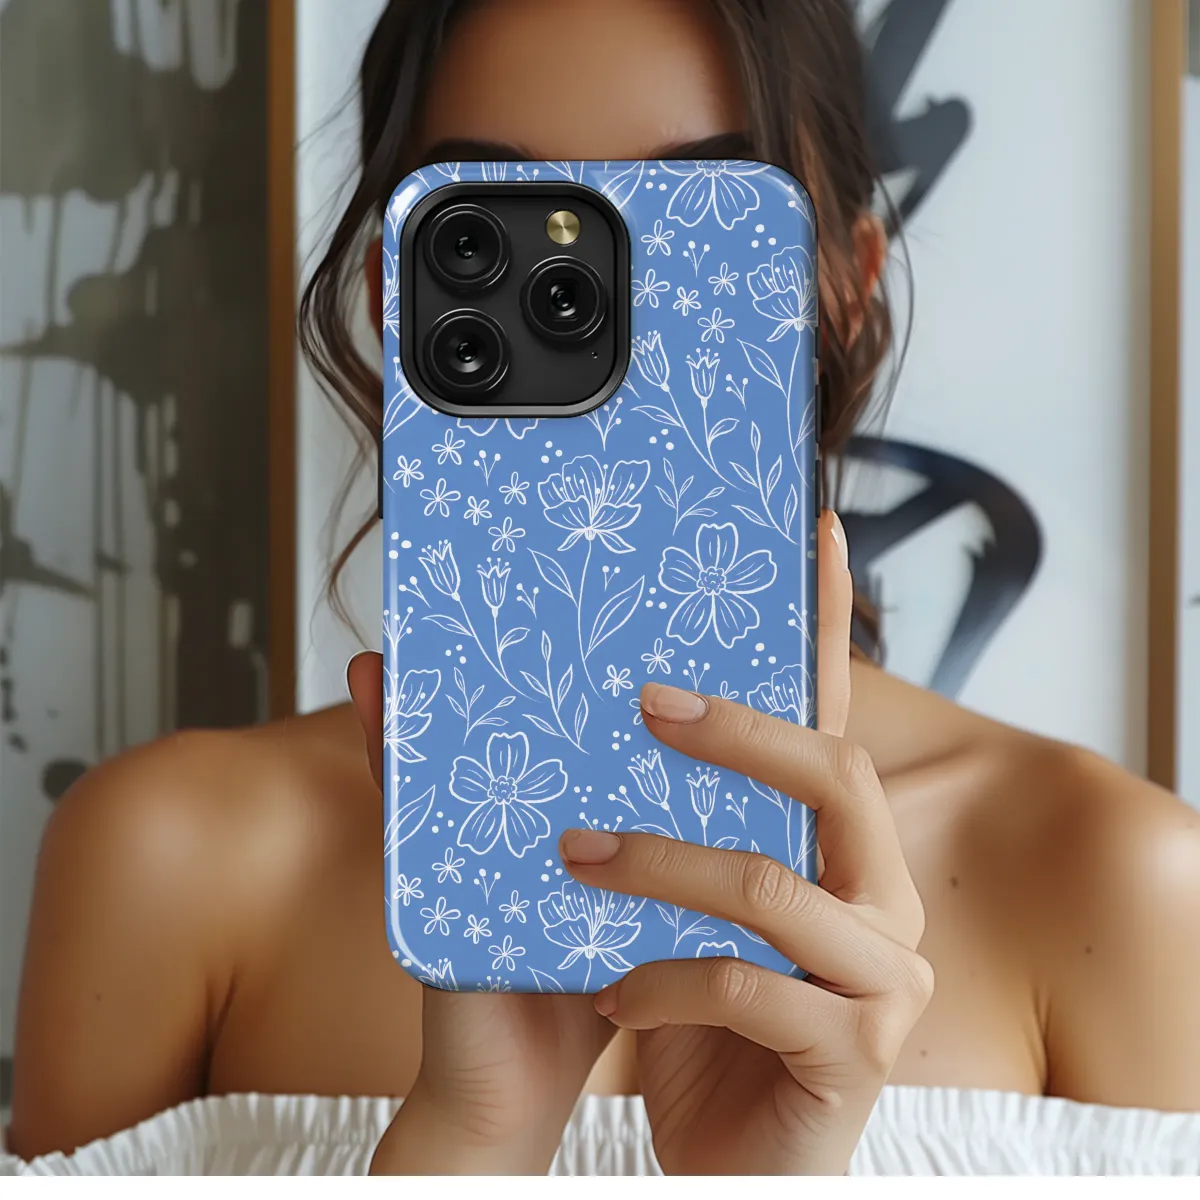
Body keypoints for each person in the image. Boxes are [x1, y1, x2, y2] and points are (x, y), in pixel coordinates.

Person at [7, 0, 1200, 1177]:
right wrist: (474, 1141)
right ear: (392, 296)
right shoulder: (168, 863)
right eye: (493, 227)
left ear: (847, 287)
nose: (603, 295)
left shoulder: (1116, 883)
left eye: (699, 222)